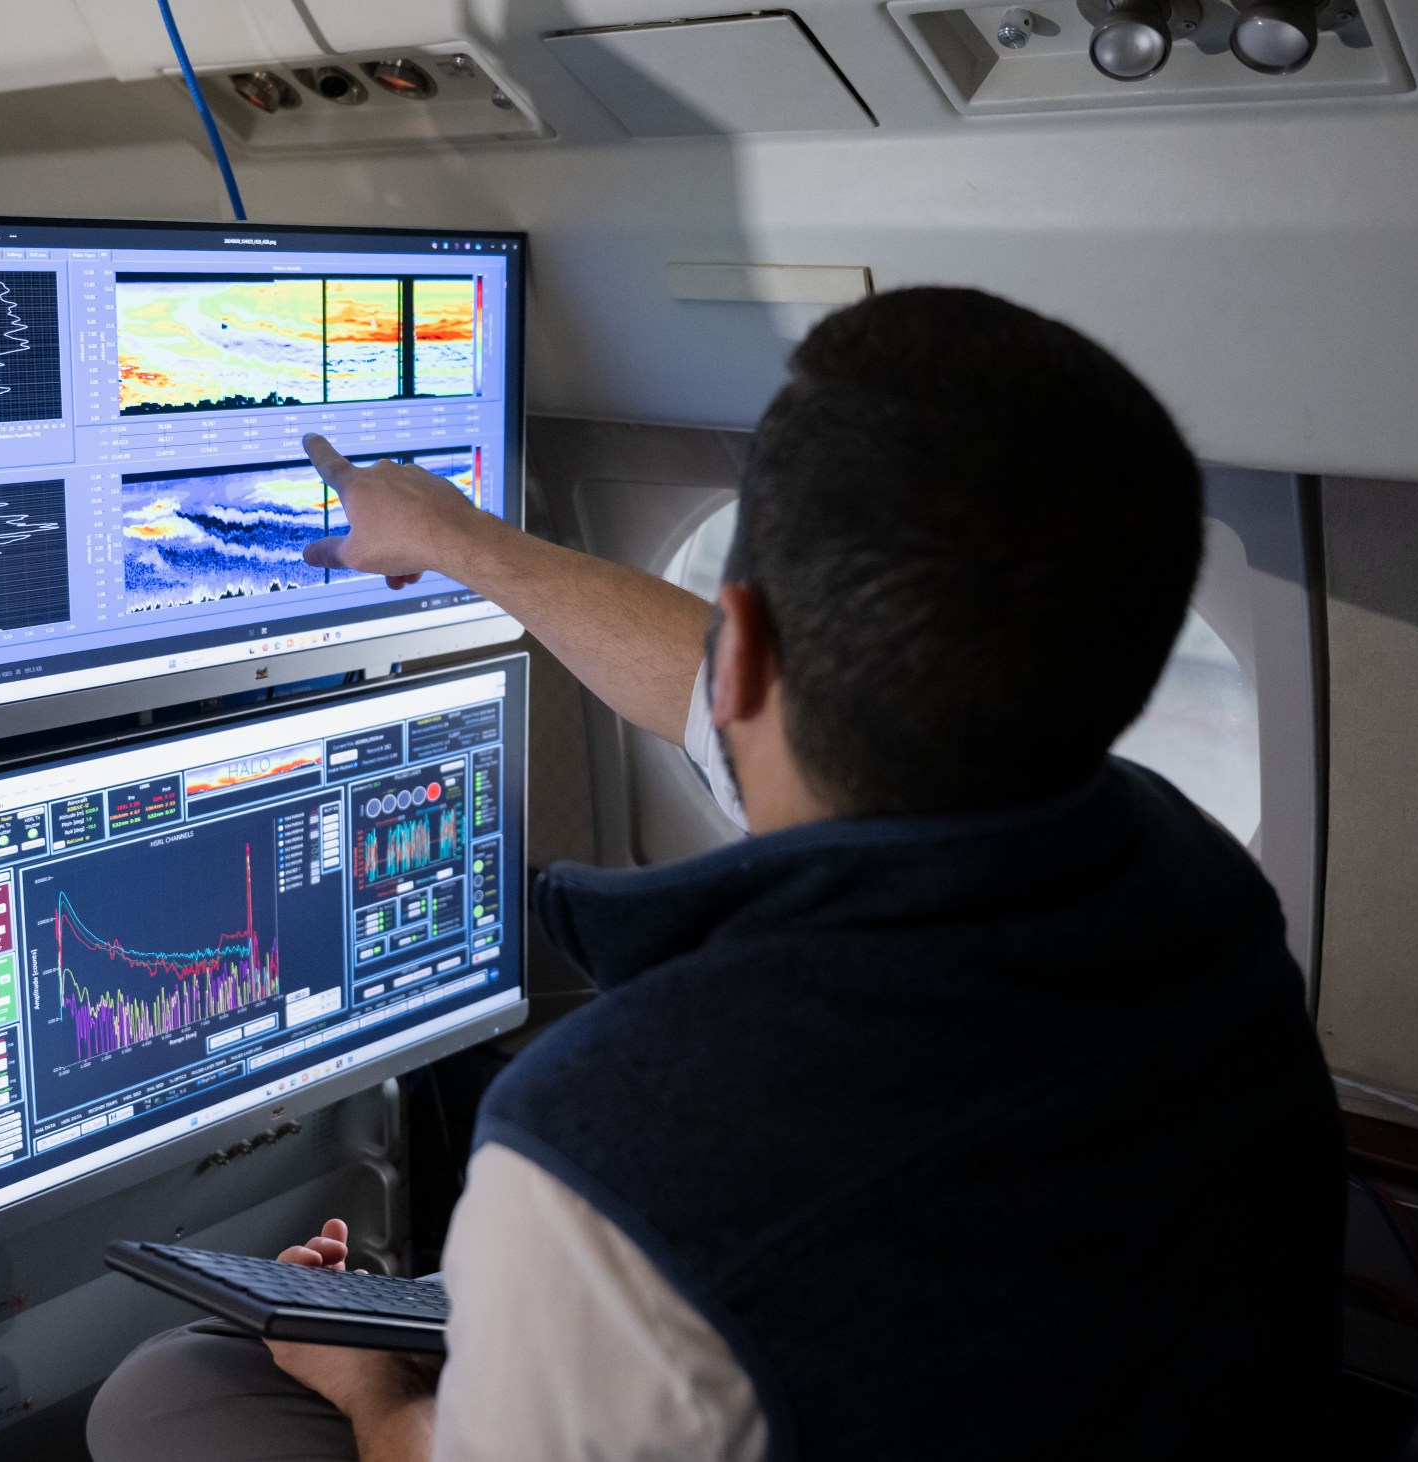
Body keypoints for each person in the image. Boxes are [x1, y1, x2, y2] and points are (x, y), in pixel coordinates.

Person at [88, 287, 1345, 1462]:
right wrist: (456, 540)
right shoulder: (1189, 879)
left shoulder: (610, 1143)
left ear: (742, 652)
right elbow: (716, 687)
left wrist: (366, 1381)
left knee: (160, 1392)